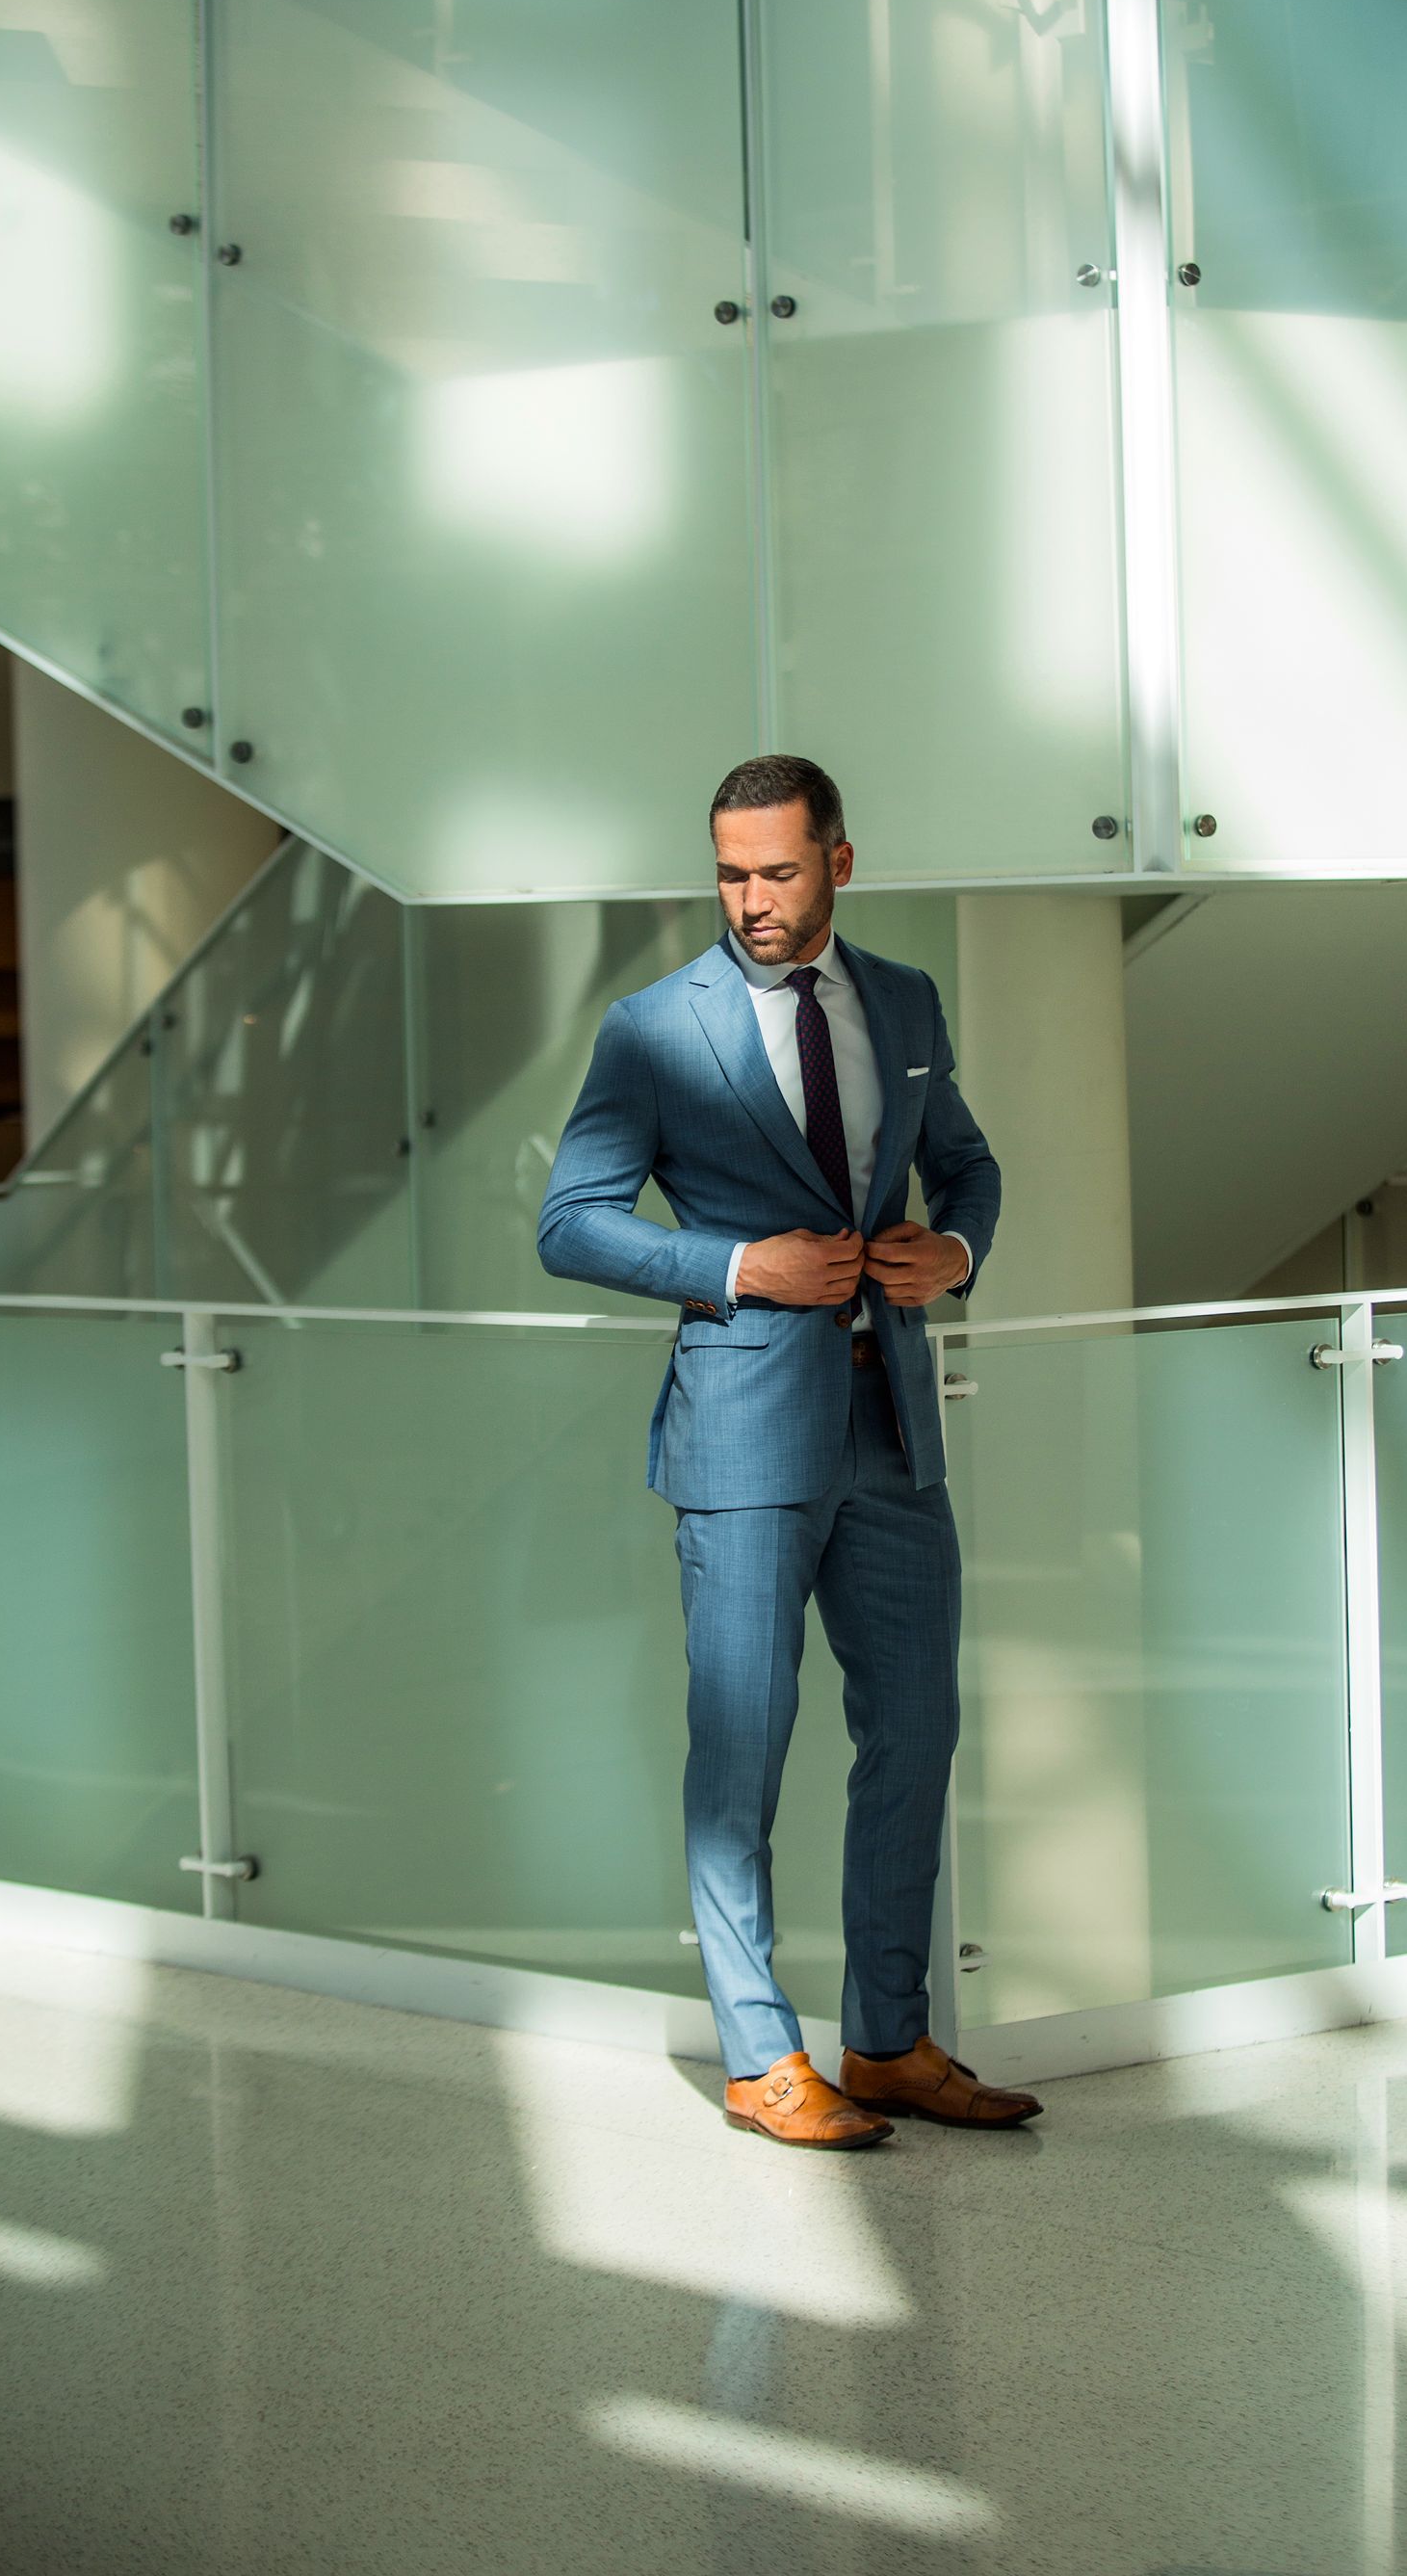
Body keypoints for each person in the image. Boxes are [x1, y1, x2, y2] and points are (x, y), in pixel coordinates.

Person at [538, 755, 1041, 2148]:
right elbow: (570, 1219)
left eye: (777, 871)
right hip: (746, 1435)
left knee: (916, 1733)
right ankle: (762, 2055)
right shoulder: (654, 1028)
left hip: (893, 1431)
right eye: (729, 874)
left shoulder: (907, 1002)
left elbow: (973, 1167)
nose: (751, 902)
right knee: (743, 1752)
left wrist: (957, 1247)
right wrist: (739, 1263)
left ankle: (886, 2040)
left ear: (838, 860)